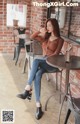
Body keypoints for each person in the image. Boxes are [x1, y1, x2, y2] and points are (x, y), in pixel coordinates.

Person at [17, 18, 64, 119]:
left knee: (36, 60)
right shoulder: (45, 38)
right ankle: (38, 106)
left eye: (50, 25)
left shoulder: (60, 40)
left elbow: (56, 54)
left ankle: (27, 88)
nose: (48, 27)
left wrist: (46, 58)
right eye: (47, 25)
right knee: (37, 74)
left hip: (52, 64)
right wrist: (40, 30)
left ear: (55, 26)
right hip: (43, 63)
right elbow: (32, 37)